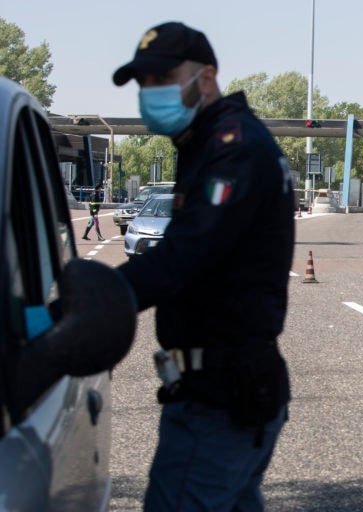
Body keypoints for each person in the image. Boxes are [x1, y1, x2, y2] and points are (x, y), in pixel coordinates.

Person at [112, 21, 295, 510]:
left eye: (164, 80)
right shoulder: (207, 143)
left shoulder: (234, 150)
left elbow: (183, 256)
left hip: (221, 400)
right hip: (221, 390)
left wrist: (94, 296)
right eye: (145, 85)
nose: (151, 93)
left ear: (206, 79)